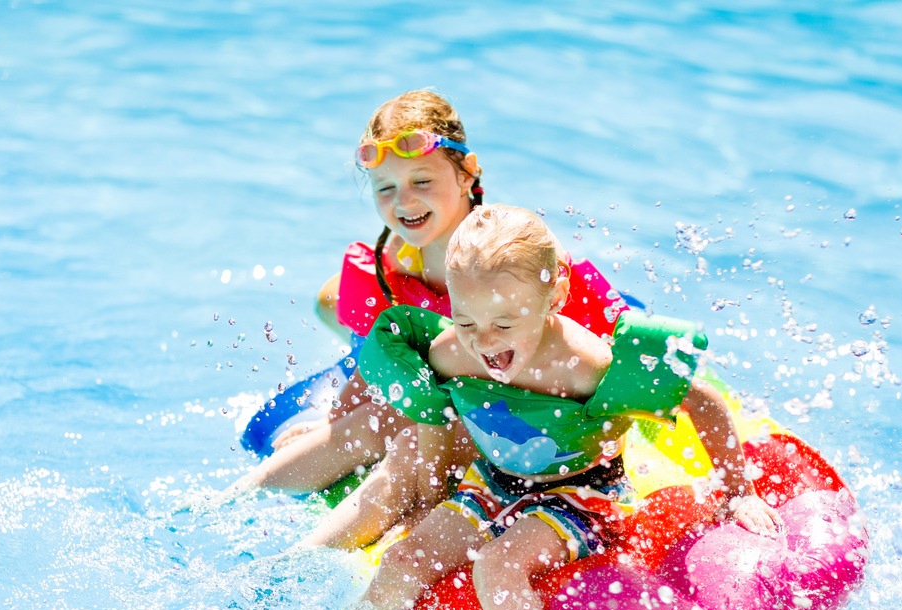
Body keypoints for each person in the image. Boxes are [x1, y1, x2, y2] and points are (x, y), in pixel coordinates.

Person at [353, 205, 782, 610]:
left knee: (499, 566)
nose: (484, 341)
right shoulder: (451, 351)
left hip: (581, 493)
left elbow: (702, 402)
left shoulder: (584, 364)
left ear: (553, 296)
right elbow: (440, 417)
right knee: (404, 559)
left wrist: (739, 493)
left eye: (503, 322)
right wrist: (434, 493)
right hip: (491, 480)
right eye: (466, 319)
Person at [217, 90, 628, 550]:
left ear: (468, 171)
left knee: (391, 422)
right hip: (440, 394)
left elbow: (611, 350)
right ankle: (229, 505)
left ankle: (304, 540)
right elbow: (379, 358)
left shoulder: (513, 260)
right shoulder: (392, 264)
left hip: (508, 415)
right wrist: (333, 418)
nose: (404, 202)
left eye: (421, 182)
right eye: (385, 188)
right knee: (359, 380)